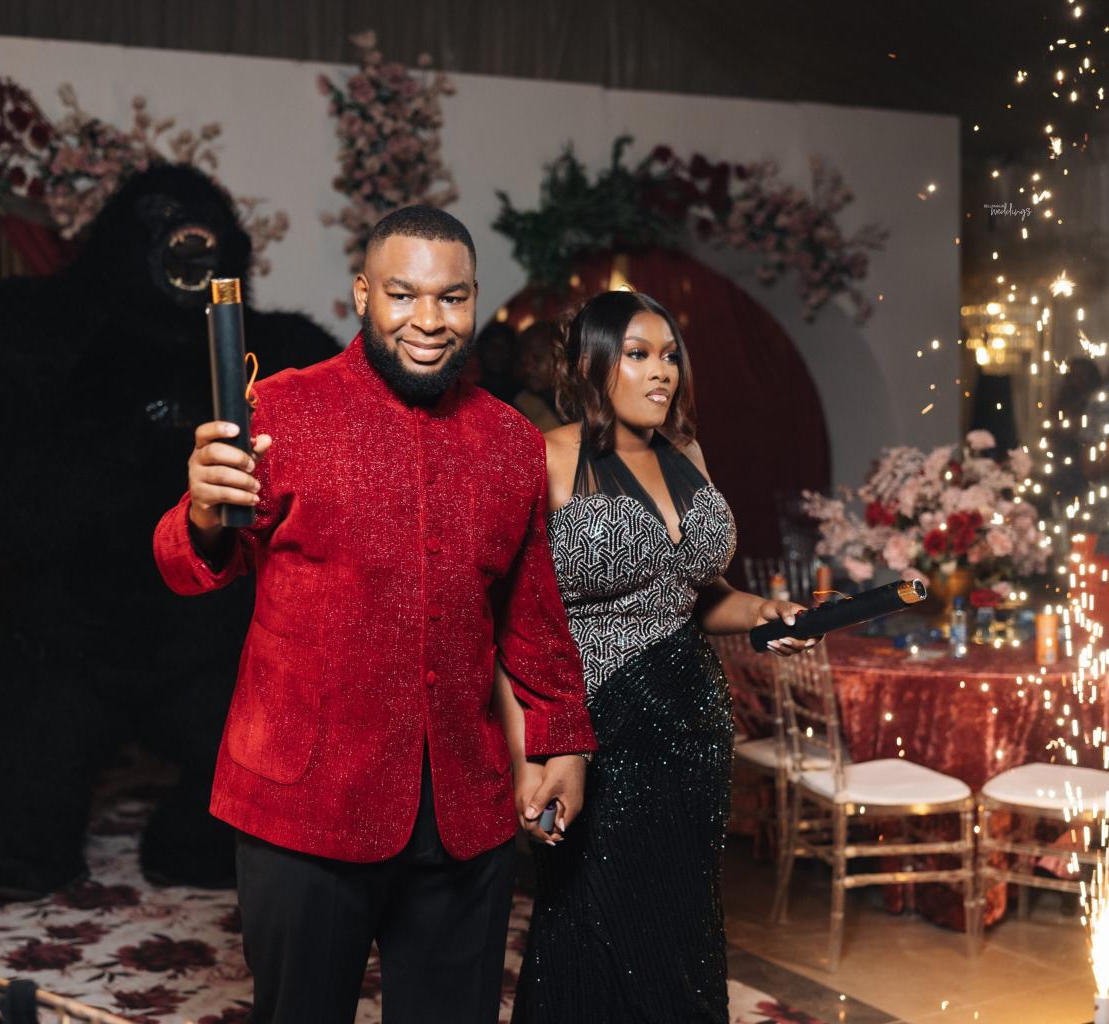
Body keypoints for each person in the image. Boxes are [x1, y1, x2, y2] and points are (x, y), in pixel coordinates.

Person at [152, 206, 596, 1024]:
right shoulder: (280, 412)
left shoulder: (510, 441)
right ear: (363, 294)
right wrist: (204, 513)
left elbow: (532, 611)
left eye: (452, 298)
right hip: (303, 808)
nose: (429, 320)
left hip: (463, 811)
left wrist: (562, 736)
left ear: (474, 300)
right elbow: (187, 566)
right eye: (403, 294)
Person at [502, 290, 815, 1024]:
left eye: (669, 355)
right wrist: (527, 760)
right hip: (593, 731)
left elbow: (700, 596)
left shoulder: (687, 454)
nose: (661, 372)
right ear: (591, 364)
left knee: (682, 927)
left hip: (695, 727)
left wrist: (762, 612)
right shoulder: (545, 456)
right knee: (594, 923)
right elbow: (507, 625)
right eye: (638, 355)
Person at [511, 321, 562, 432]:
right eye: (523, 361)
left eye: (537, 358)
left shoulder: (588, 399)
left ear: (560, 356)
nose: (528, 369)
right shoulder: (519, 409)